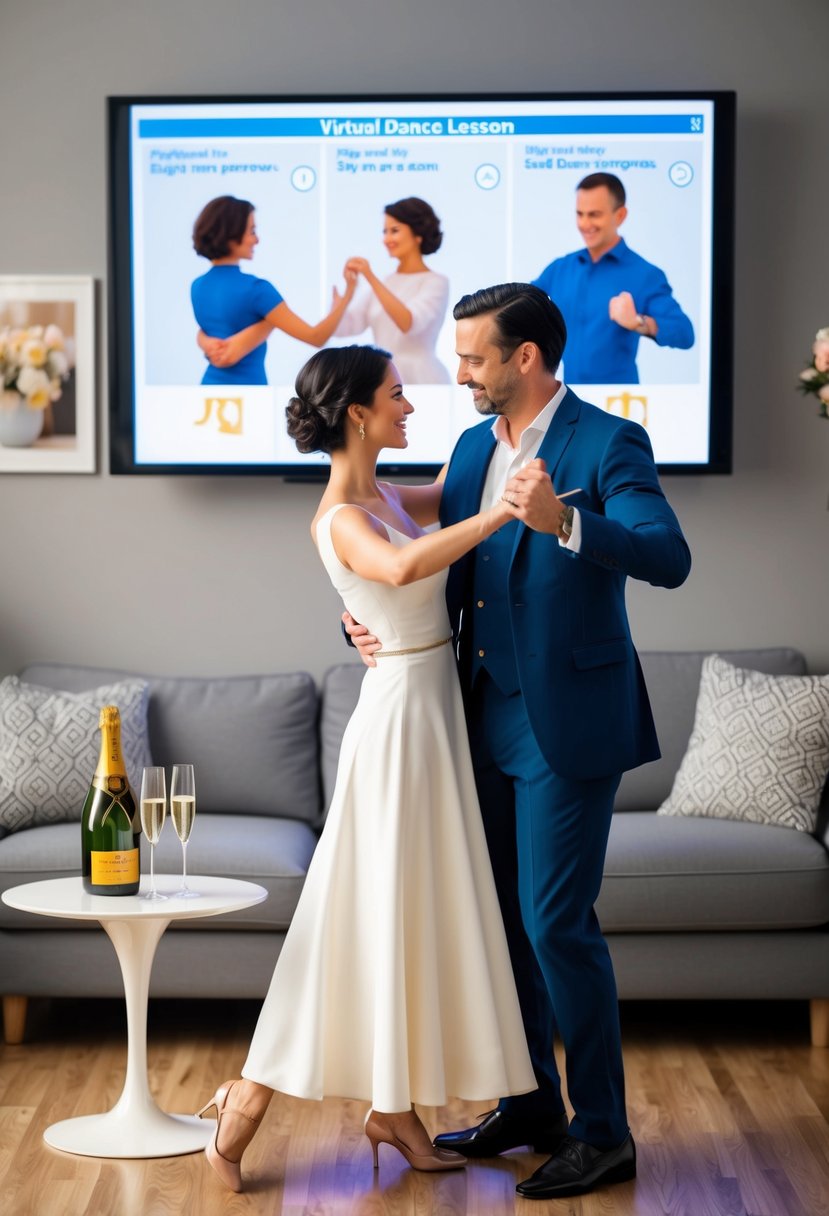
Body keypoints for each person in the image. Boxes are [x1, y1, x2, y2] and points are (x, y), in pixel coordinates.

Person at [346, 283, 692, 1200]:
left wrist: (566, 521)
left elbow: (668, 556)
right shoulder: (468, 447)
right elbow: (417, 537)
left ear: (525, 358)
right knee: (501, 928)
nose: (457, 371)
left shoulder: (606, 440)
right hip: (476, 715)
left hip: (568, 725)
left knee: (554, 924)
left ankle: (605, 1132)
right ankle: (534, 1105)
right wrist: (363, 616)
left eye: (472, 358)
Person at [195, 344, 536, 1193]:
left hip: (429, 715)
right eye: (394, 393)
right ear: (356, 412)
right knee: (352, 916)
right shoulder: (341, 515)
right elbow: (399, 566)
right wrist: (504, 516)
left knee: (402, 917)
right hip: (394, 731)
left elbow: (441, 510)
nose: (409, 402)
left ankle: (394, 1109)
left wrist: (509, 476)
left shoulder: (384, 492)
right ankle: (240, 1113)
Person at [533, 172, 694, 384]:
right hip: (570, 400)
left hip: (619, 403)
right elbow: (519, 309)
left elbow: (684, 333)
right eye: (580, 214)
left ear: (620, 215)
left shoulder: (645, 275)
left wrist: (638, 322)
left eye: (594, 214)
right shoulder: (560, 269)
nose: (584, 223)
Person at [190, 194, 356, 384]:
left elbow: (209, 332)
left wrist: (202, 339)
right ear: (231, 234)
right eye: (251, 231)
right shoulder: (257, 290)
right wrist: (346, 298)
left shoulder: (197, 286)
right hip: (249, 394)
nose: (257, 240)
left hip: (208, 390)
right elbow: (316, 337)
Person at [336, 197, 451, 383]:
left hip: (422, 380)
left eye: (394, 231)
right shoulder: (385, 283)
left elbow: (408, 323)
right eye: (385, 232)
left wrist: (370, 276)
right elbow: (345, 328)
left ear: (417, 234)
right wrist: (347, 295)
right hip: (384, 378)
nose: (386, 239)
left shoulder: (436, 282)